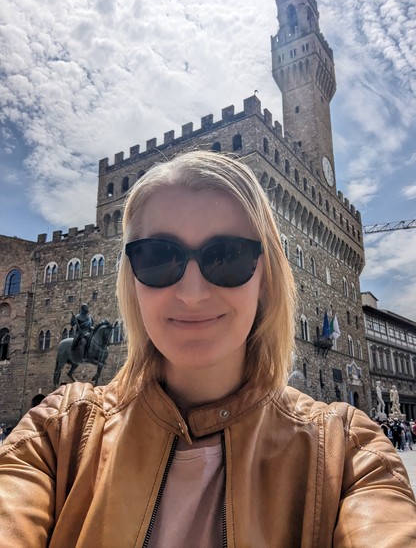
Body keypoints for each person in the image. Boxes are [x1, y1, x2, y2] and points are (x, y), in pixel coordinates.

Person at [0, 150, 415, 546]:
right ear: (132, 281)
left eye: (228, 257)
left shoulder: (346, 454)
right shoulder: (57, 435)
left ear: (265, 279)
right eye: (159, 258)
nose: (193, 293)